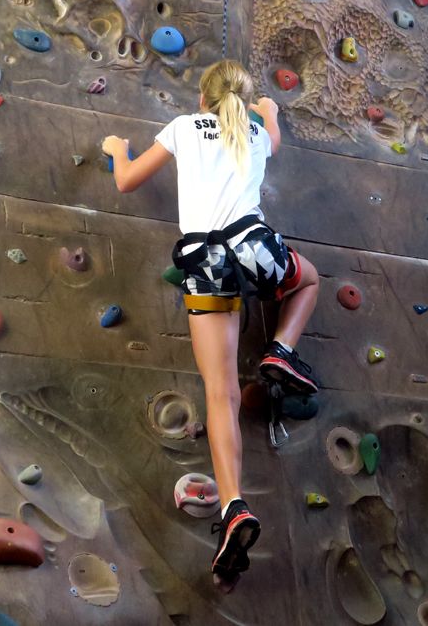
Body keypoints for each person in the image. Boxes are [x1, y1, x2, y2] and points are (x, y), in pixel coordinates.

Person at [101, 59, 320, 585]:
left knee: (221, 393)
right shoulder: (255, 132)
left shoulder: (182, 127)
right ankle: (281, 350)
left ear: (202, 99)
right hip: (255, 247)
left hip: (206, 262)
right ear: (242, 103)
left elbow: (127, 181)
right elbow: (274, 136)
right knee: (309, 281)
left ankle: (234, 505)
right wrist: (269, 111)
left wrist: (116, 149)